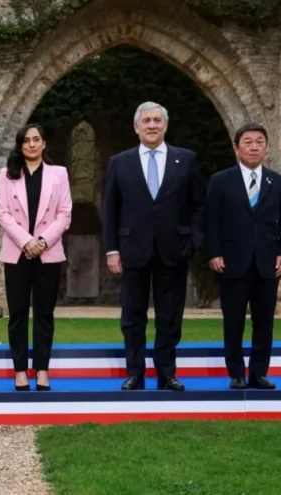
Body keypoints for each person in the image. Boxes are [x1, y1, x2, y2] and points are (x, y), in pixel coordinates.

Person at [102, 102, 204, 392]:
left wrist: (193, 241)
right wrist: (112, 250)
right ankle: (135, 374)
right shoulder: (119, 162)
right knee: (132, 317)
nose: (152, 125)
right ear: (136, 127)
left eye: (157, 120)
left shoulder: (186, 160)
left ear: (165, 126)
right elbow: (111, 209)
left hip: (174, 250)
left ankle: (167, 374)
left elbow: (199, 206)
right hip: (132, 250)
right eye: (146, 120)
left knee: (169, 317)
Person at [204, 123, 281, 390]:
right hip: (232, 262)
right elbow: (210, 221)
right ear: (236, 147)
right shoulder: (220, 181)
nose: (254, 147)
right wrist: (213, 252)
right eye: (248, 142)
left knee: (264, 322)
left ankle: (258, 373)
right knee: (233, 321)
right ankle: (236, 374)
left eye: (259, 142)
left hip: (268, 264)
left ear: (266, 148)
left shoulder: (278, 182)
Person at [0, 124, 71, 391]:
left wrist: (42, 241)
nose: (31, 144)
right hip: (17, 252)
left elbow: (65, 213)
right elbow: (3, 213)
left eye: (36, 139)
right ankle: (19, 370)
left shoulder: (59, 173)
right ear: (20, 145)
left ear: (44, 143)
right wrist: (26, 241)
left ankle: (42, 369)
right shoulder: (7, 174)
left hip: (47, 252)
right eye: (26, 140)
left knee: (44, 313)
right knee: (17, 313)